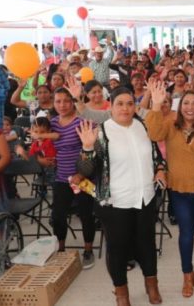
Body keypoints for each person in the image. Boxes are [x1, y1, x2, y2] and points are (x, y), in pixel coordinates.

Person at [76, 87, 167, 306]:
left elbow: (157, 157)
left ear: (135, 106)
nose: (125, 108)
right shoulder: (101, 133)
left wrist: (161, 169)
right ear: (111, 106)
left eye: (129, 103)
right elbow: (86, 170)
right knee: (117, 249)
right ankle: (121, 292)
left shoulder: (144, 127)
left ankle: (151, 285)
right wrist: (87, 148)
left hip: (145, 198)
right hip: (115, 202)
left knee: (147, 244)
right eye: (120, 103)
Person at [145, 84, 194, 299]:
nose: (190, 107)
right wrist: (155, 105)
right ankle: (187, 275)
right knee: (186, 234)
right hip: (178, 189)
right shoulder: (170, 125)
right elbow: (153, 133)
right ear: (179, 107)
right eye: (186, 103)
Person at [48, 88, 96, 269]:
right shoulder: (52, 123)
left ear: (73, 102)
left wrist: (81, 174)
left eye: (66, 101)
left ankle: (88, 250)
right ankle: (60, 249)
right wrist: (44, 159)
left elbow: (93, 151)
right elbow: (45, 146)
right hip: (61, 177)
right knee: (58, 216)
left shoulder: (83, 122)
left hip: (83, 178)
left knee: (86, 215)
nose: (62, 105)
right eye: (58, 101)